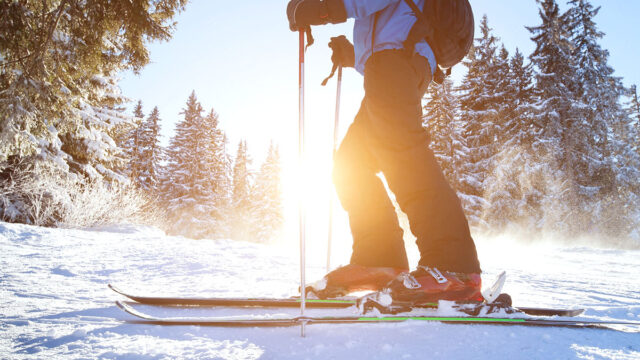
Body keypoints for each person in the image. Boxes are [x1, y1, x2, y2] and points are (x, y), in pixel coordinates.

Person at [287, 0, 482, 305]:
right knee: (351, 163)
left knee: (403, 154)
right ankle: (379, 258)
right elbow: (388, 19)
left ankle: (453, 266)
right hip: (391, 62)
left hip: (398, 60)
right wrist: (355, 56)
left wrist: (325, 8)